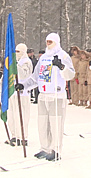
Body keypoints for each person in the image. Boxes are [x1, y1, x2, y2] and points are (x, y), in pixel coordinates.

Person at [19, 33, 75, 161]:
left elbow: (71, 74)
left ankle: (55, 149)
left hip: (57, 95)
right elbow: (35, 77)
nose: (48, 44)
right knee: (43, 123)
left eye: (51, 42)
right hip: (43, 95)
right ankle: (44, 148)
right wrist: (24, 86)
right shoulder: (43, 57)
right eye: (47, 42)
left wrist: (61, 67)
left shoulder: (63, 56)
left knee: (56, 124)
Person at [6, 43, 34, 147]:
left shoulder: (26, 62)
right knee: (12, 115)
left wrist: (15, 66)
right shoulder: (14, 61)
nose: (17, 54)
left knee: (22, 115)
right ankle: (13, 135)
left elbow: (24, 74)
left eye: (18, 52)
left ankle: (22, 137)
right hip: (12, 92)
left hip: (23, 93)